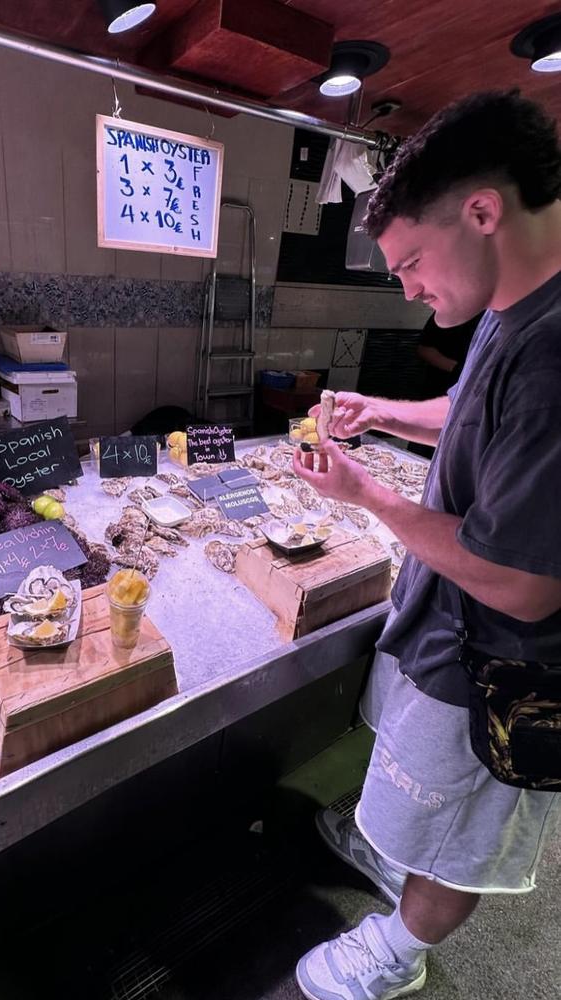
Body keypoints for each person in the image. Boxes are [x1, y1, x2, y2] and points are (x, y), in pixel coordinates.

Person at [293, 89, 561, 1000]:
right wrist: (388, 416)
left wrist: (365, 494)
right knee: (420, 796)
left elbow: (527, 586)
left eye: (410, 261)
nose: (404, 288)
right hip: (449, 622)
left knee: (462, 832)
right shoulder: (511, 297)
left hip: (509, 663)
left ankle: (395, 955)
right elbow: (473, 413)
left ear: (483, 212)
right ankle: (388, 846)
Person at [416, 312, 482, 399]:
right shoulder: (447, 311)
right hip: (443, 387)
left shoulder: (493, 317)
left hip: (478, 387)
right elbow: (424, 350)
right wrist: (460, 369)